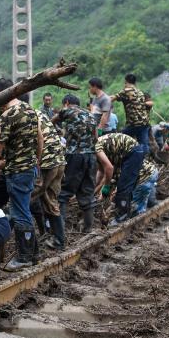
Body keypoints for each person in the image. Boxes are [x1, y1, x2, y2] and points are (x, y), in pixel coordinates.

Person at [0, 79, 43, 271]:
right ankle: (34, 253)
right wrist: (36, 162)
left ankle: (25, 257)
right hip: (21, 168)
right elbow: (40, 138)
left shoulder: (8, 114)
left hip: (17, 172)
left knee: (20, 212)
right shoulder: (30, 110)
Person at [53, 95, 98, 236]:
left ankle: (60, 234)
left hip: (75, 156)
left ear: (66, 103)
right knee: (87, 193)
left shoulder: (67, 110)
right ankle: (88, 229)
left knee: (63, 194)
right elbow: (96, 137)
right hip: (91, 156)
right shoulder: (90, 115)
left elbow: (50, 122)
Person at [95, 132, 159, 222]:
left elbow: (109, 168)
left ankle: (121, 219)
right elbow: (102, 171)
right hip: (135, 153)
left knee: (123, 188)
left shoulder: (93, 147)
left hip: (132, 151)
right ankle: (133, 213)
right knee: (126, 187)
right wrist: (96, 190)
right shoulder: (99, 148)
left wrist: (106, 187)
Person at [33, 112, 66, 250]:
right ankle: (55, 237)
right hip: (59, 160)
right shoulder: (39, 112)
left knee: (28, 198)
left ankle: (29, 244)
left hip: (47, 162)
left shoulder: (18, 114)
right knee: (50, 200)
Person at [112, 74, 153, 154]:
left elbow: (112, 98)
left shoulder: (126, 91)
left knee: (120, 138)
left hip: (134, 123)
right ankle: (145, 160)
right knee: (144, 143)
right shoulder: (140, 92)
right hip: (145, 122)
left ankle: (122, 155)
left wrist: (100, 100)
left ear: (126, 81)